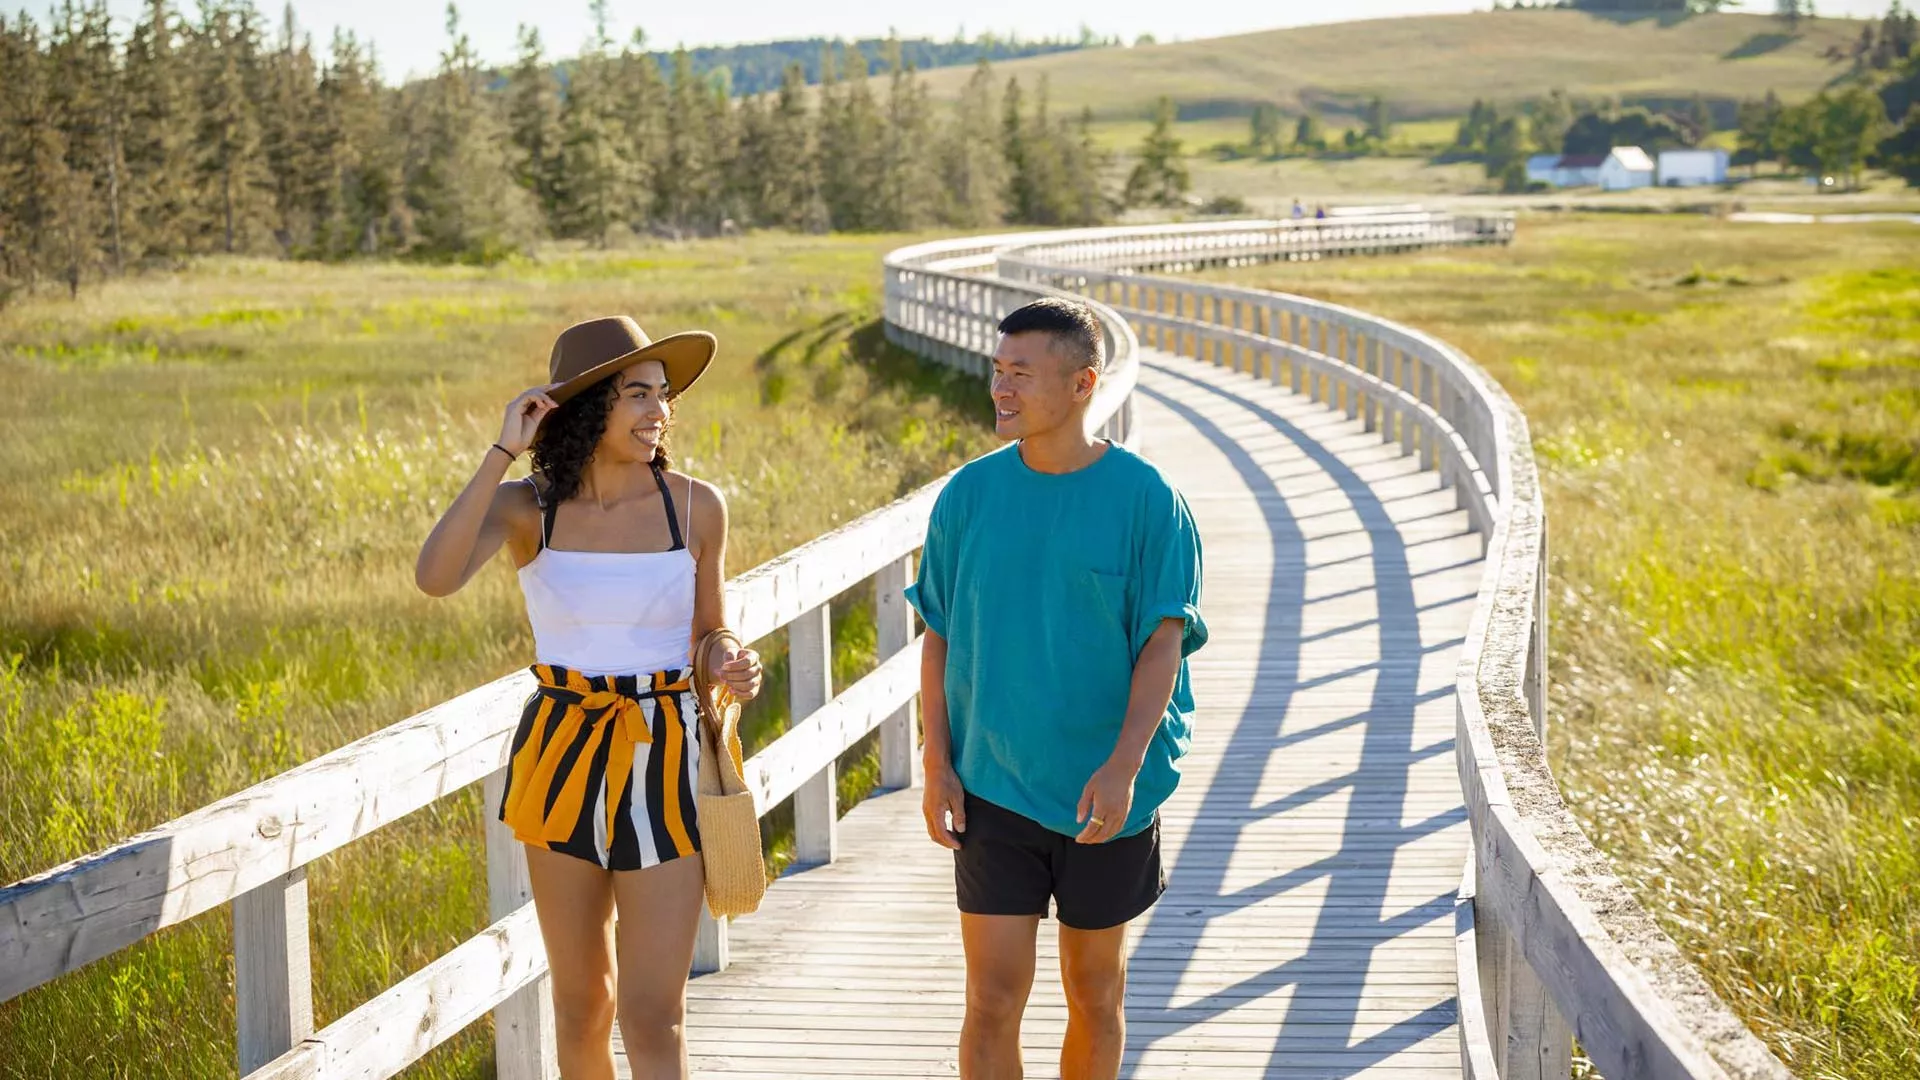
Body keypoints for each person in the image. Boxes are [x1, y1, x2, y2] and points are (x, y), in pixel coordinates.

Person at [415, 315, 763, 1080]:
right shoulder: (524, 508)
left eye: (664, 395)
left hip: (665, 756)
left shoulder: (695, 506)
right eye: (636, 393)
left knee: (651, 1013)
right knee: (581, 1006)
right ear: (583, 407)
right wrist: (503, 449)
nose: (657, 411)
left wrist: (732, 660)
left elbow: (711, 633)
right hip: (560, 751)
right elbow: (434, 577)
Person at [908, 298, 1207, 1080]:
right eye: (998, 371)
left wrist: (1124, 766)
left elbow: (1161, 646)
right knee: (993, 999)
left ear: (1083, 383)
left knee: (1095, 993)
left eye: (1022, 375)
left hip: (1105, 792)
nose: (1002, 389)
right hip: (992, 783)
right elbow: (937, 639)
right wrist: (936, 762)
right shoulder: (968, 497)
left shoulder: (1147, 500)